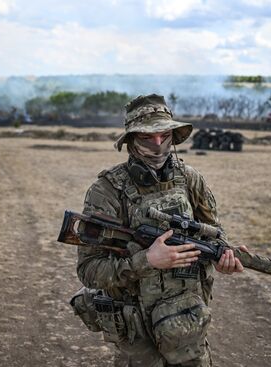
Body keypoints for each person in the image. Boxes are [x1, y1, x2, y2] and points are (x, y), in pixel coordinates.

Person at [76, 94, 246, 367]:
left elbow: (213, 231)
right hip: (137, 337)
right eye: (146, 137)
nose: (157, 145)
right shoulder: (106, 191)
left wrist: (224, 254)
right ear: (131, 140)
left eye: (164, 135)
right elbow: (89, 270)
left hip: (187, 325)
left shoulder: (190, 179)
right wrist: (147, 261)